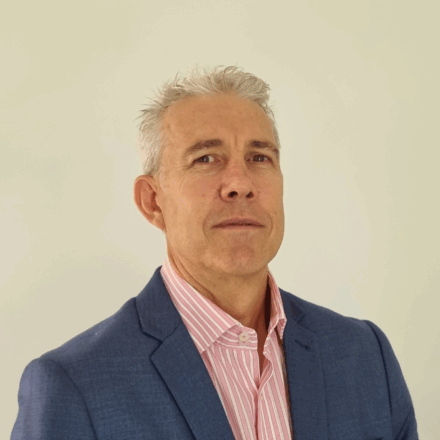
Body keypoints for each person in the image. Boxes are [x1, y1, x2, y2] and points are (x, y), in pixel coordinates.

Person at [11, 65, 419, 439]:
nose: (240, 184)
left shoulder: (365, 357)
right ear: (153, 201)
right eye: (206, 158)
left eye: (259, 157)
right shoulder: (74, 385)